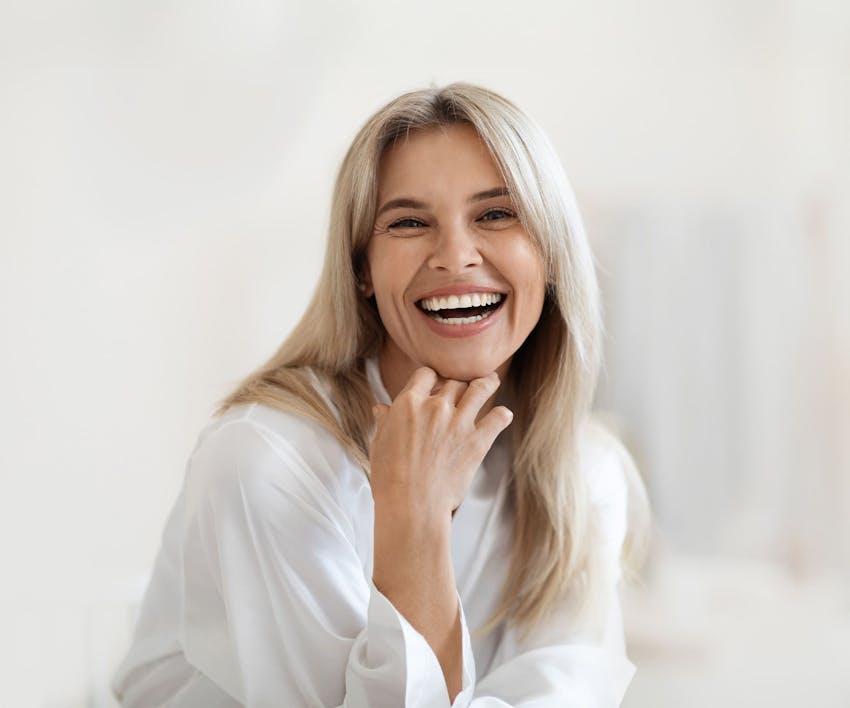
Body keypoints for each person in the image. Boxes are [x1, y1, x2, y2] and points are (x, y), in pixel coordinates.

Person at [112, 83, 649, 707]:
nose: (455, 255)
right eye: (409, 222)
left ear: (551, 253)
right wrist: (411, 520)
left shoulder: (583, 475)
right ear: (362, 269)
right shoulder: (264, 464)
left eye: (497, 214)